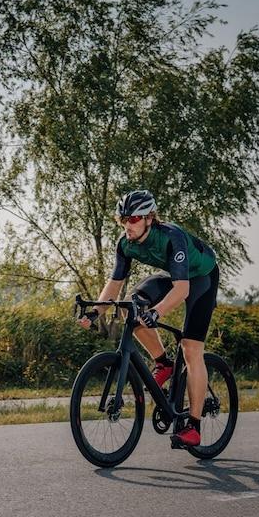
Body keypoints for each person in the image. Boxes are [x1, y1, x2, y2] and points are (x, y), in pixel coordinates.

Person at [78, 190, 219, 447]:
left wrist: (157, 312)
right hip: (177, 277)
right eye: (122, 219)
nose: (127, 225)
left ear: (149, 218)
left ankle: (194, 426)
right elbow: (114, 284)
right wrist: (95, 311)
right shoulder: (125, 244)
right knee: (129, 307)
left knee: (190, 349)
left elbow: (182, 290)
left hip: (202, 278)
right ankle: (163, 363)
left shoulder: (171, 236)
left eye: (132, 219)